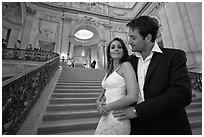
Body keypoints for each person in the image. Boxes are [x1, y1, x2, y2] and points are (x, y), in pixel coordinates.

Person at [111, 16, 192, 134]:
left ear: (148, 38)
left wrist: (137, 111)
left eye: (133, 37)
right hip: (137, 129)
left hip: (169, 127)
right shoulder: (129, 62)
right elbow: (119, 87)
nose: (128, 42)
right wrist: (104, 100)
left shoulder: (174, 57)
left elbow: (181, 94)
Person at [94, 37, 139, 135]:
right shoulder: (109, 70)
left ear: (124, 51)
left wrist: (106, 107)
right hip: (106, 115)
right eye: (113, 47)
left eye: (119, 47)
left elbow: (132, 97)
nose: (116, 49)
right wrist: (98, 101)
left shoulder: (126, 66)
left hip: (118, 115)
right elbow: (104, 88)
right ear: (109, 52)